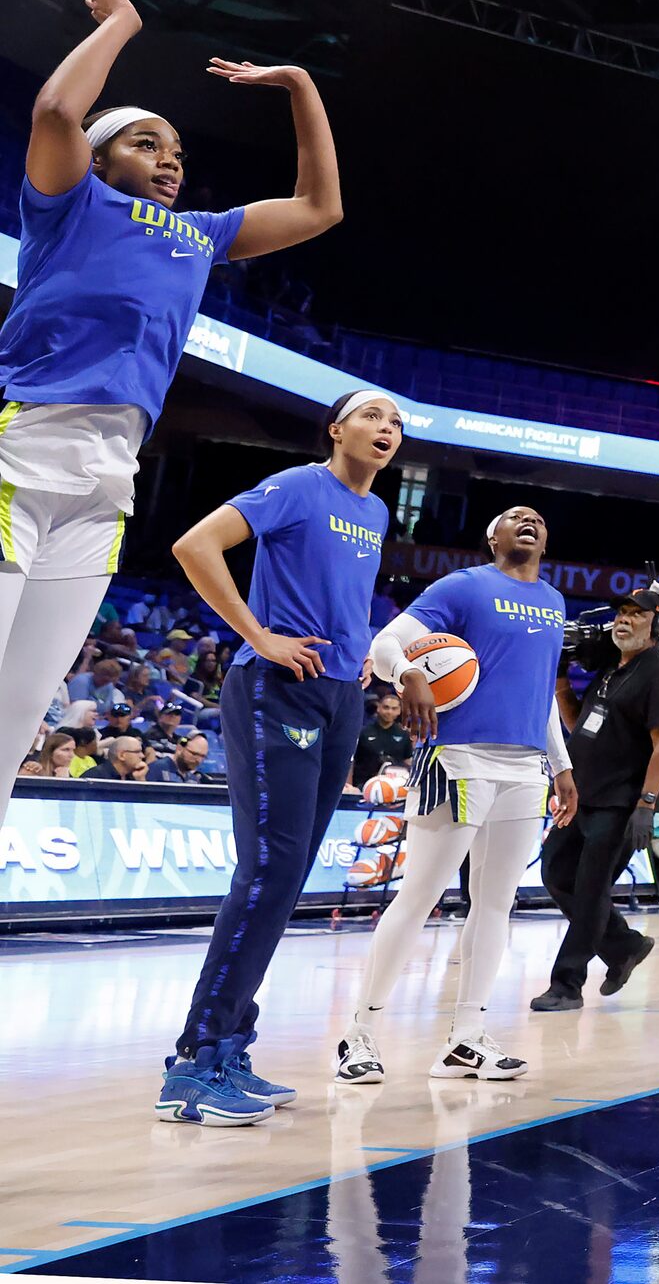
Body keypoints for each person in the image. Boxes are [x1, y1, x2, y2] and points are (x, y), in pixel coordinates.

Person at [0, 0, 344, 834]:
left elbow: (319, 207)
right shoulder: (70, 205)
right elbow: (52, 114)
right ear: (104, 157)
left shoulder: (201, 234)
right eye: (147, 144)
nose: (169, 159)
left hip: (107, 487)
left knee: (12, 720)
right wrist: (122, 24)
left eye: (179, 152)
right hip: (25, 449)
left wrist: (300, 84)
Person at [155, 393, 401, 1126]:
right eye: (372, 417)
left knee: (286, 875)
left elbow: (342, 599)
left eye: (396, 424)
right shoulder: (298, 485)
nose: (386, 430)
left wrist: (358, 657)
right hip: (276, 686)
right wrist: (260, 635)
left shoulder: (378, 514)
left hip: (339, 695)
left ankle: (230, 1043)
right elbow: (194, 545)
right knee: (267, 869)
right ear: (336, 430)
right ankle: (193, 1065)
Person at [338, 506, 578, 1085]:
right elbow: (389, 640)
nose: (528, 521)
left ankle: (466, 1040)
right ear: (491, 535)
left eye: (538, 518)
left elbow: (542, 691)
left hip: (526, 769)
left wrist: (562, 763)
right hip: (457, 759)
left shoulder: (554, 602)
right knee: (419, 897)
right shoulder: (463, 586)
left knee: (496, 904)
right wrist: (406, 674)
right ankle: (357, 1035)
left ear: (546, 539)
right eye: (514, 516)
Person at [532, 584, 659, 1011]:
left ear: (658, 624)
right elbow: (580, 721)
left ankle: (566, 984)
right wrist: (561, 680)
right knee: (557, 876)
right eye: (622, 612)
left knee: (591, 889)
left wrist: (646, 805)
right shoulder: (613, 667)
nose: (624, 619)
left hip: (619, 803)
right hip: (583, 796)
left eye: (637, 614)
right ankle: (623, 945)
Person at [350, 687, 414, 787]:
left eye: (394, 708)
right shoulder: (363, 732)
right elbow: (352, 761)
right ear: (379, 708)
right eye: (386, 707)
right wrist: (349, 785)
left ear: (399, 711)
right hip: (363, 784)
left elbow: (408, 761)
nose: (389, 712)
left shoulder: (403, 734)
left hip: (395, 785)